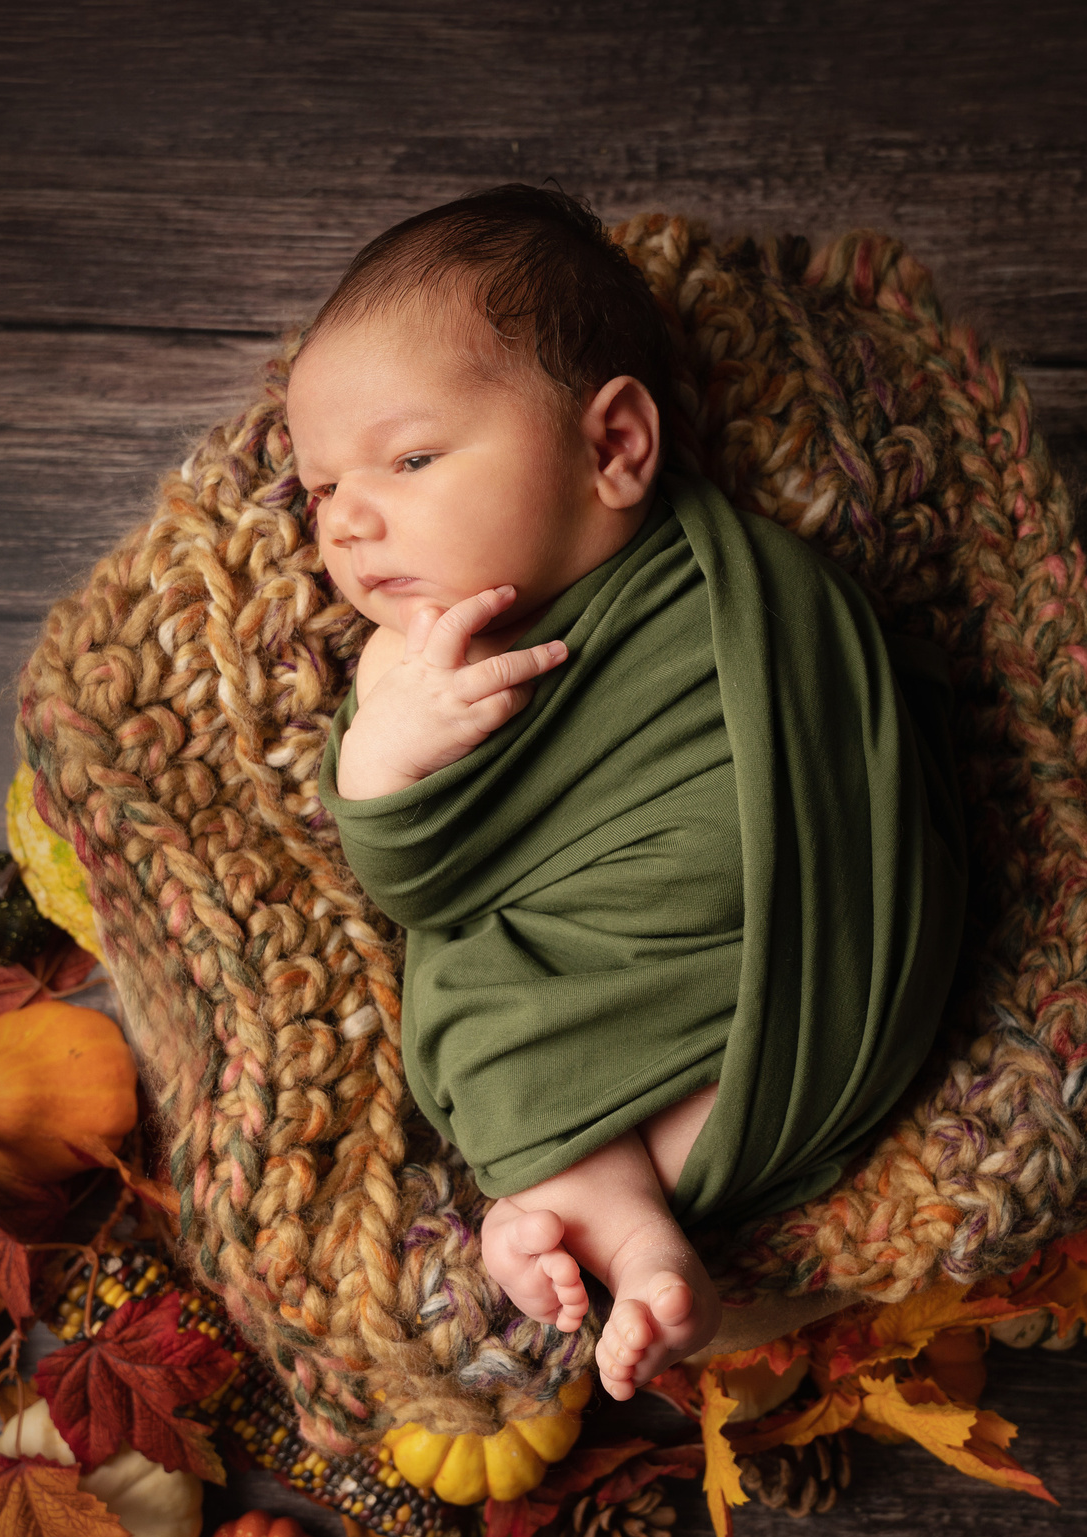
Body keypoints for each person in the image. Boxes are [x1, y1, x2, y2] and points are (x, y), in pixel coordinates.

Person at [294, 184, 965, 1401]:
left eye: (410, 458)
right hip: (604, 987)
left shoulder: (750, 584)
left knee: (501, 1022)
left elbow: (866, 724)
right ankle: (625, 1230)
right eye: (320, 490)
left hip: (801, 972)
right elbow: (418, 885)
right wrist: (385, 762)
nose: (349, 522)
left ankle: (589, 1201)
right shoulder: (406, 665)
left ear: (613, 447)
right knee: (476, 1002)